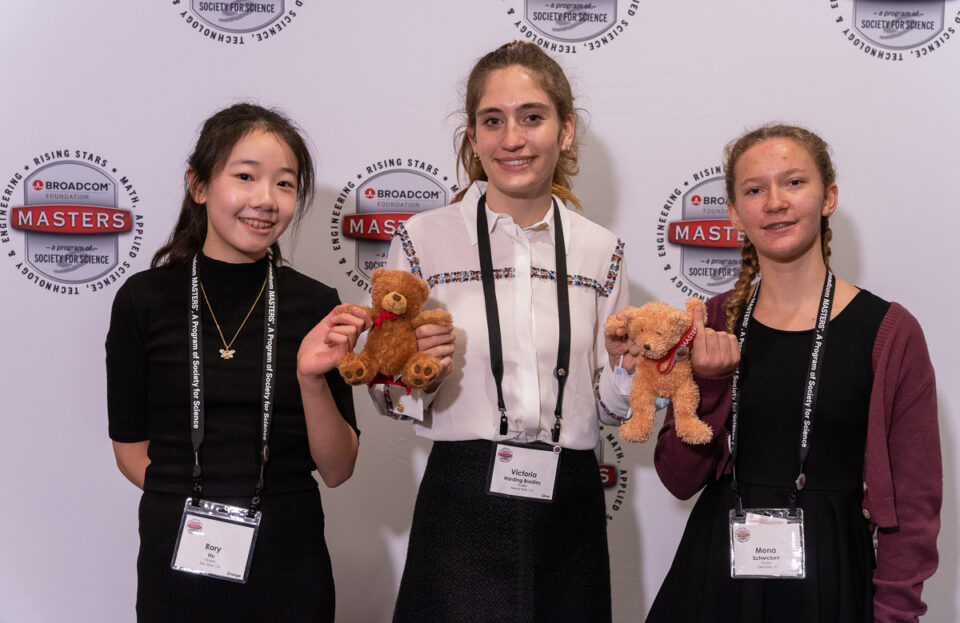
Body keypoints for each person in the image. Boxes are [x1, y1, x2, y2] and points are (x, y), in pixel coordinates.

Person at [635, 124, 941, 622]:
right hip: (717, 572)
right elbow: (676, 478)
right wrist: (711, 383)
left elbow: (915, 501)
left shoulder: (889, 332)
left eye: (794, 183)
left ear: (829, 197)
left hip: (832, 575)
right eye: (755, 190)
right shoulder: (710, 321)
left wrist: (897, 612)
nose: (774, 202)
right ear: (735, 214)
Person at [370, 41, 630, 622]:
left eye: (532, 117)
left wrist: (629, 369)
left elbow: (610, 411)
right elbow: (391, 396)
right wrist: (419, 374)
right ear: (473, 135)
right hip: (461, 498)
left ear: (564, 131)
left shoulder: (600, 250)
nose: (512, 139)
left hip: (570, 496)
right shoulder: (421, 239)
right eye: (494, 121)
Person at [106, 103, 370, 622]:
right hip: (177, 554)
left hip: (289, 558)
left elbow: (338, 469)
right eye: (245, 176)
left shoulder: (317, 305)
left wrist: (310, 379)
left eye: (285, 184)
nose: (265, 201)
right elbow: (130, 450)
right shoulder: (144, 300)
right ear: (199, 185)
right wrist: (200, 505)